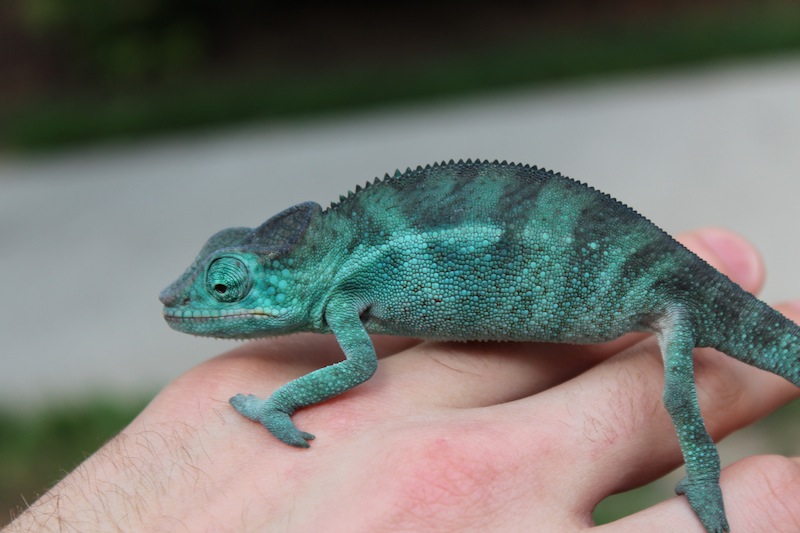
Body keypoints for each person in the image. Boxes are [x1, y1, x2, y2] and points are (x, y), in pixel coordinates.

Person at [6, 228, 800, 532]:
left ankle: (703, 475)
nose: (198, 302)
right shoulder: (346, 282)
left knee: (679, 384)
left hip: (662, 292)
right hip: (645, 283)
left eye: (225, 287)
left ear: (288, 273)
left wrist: (278, 403)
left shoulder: (343, 292)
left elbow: (357, 365)